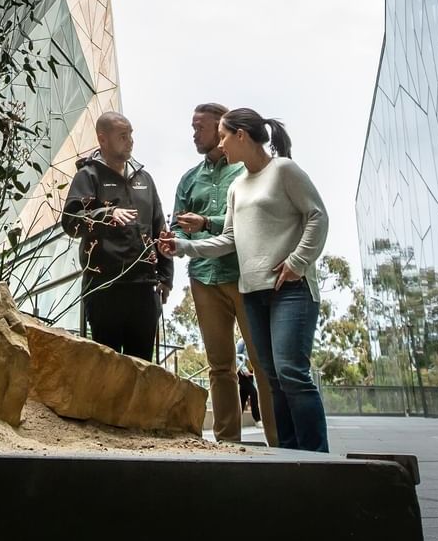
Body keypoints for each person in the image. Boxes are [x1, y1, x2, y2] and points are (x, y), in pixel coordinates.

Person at [159, 107, 330, 452]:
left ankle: (317, 457)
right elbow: (229, 239)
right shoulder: (237, 187)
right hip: (252, 292)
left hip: (289, 289)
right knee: (274, 376)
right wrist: (182, 245)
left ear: (240, 135)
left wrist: (298, 261)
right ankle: (288, 455)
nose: (221, 144)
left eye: (223, 136)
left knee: (290, 372)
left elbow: (317, 215)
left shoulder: (284, 169)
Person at [172, 102, 278, 446]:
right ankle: (228, 444)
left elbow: (247, 222)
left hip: (245, 276)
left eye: (199, 128)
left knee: (261, 362)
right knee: (219, 366)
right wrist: (178, 240)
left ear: (222, 129)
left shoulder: (245, 171)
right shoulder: (189, 179)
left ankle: (279, 443)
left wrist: (206, 223)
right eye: (193, 128)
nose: (194, 134)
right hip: (203, 278)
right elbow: (178, 227)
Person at [61, 111, 171, 359]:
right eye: (123, 136)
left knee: (143, 368)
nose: (130, 141)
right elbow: (70, 222)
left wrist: (166, 277)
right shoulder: (88, 176)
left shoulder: (145, 179)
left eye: (131, 134)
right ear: (103, 139)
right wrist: (106, 214)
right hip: (104, 288)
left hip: (144, 288)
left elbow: (159, 229)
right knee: (108, 368)